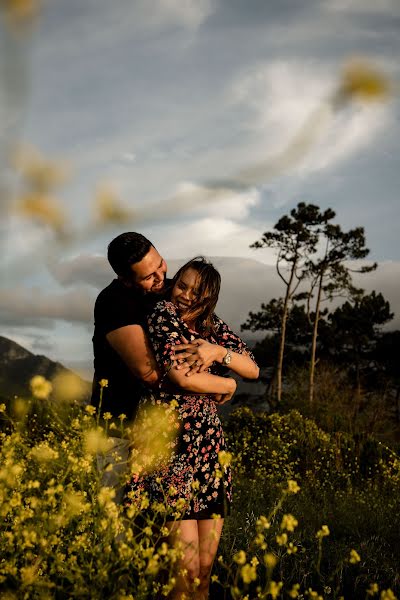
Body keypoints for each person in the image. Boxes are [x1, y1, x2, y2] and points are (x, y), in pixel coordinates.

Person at [125, 257, 259, 600]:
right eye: (181, 284)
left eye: (195, 291)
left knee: (203, 572)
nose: (184, 294)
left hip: (208, 449)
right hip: (170, 446)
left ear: (209, 297)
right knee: (181, 572)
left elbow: (253, 369)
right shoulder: (163, 314)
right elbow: (178, 376)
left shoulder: (213, 328)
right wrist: (226, 386)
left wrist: (216, 352)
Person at [92, 232, 168, 500]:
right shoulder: (114, 302)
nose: (160, 277)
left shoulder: (172, 291)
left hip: (162, 431)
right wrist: (207, 385)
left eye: (160, 264)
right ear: (125, 279)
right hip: (119, 432)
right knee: (118, 527)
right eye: (148, 276)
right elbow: (148, 374)